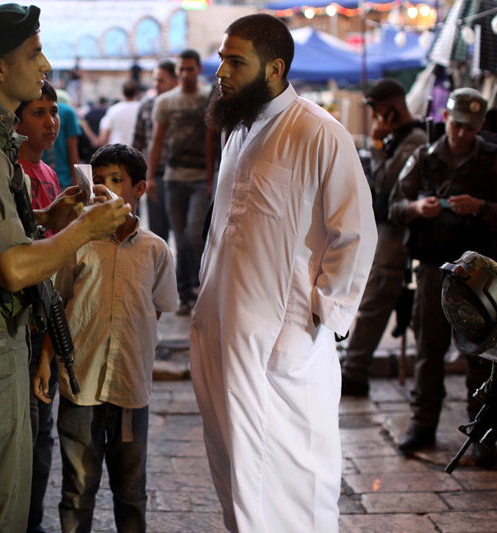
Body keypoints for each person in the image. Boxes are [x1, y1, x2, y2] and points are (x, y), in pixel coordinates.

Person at [0, 5, 130, 531]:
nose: (44, 64)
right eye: (34, 53)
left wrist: (51, 215)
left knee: (8, 498)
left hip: (0, 342)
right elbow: (13, 268)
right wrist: (87, 228)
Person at [191, 14, 376, 531]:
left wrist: (320, 317)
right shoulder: (238, 131)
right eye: (222, 59)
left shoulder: (319, 132)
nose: (221, 72)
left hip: (287, 338)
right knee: (235, 466)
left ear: (274, 68)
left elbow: (356, 234)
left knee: (294, 475)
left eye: (235, 61)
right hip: (225, 331)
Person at [33, 144, 177, 532]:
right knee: (77, 489)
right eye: (98, 181)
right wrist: (46, 360)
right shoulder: (75, 244)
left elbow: (158, 308)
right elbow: (58, 305)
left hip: (131, 388)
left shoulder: (155, 251)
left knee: (131, 491)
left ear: (140, 188)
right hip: (80, 382)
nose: (106, 189)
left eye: (117, 181)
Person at [389, 87, 497, 466]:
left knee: (481, 354)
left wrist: (482, 207)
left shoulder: (491, 160)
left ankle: (482, 433)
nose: (462, 133)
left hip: (480, 277)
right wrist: (419, 207)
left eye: (470, 127)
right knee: (429, 349)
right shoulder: (424, 157)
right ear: (446, 118)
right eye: (457, 124)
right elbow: (395, 206)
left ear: (481, 125)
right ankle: (422, 425)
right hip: (435, 268)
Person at [341, 79, 427, 397]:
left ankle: (354, 371)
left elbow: (384, 183)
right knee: (375, 299)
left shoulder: (413, 140)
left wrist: (377, 147)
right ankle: (354, 368)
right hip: (387, 230)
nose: (376, 120)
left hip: (398, 234)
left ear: (391, 110)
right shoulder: (401, 138)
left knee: (376, 300)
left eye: (377, 112)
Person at [15, 79, 61, 533]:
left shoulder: (47, 173)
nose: (51, 122)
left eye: (54, 111)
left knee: (41, 428)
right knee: (28, 429)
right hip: (20, 321)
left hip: (45, 318)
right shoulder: (12, 173)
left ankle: (32, 519)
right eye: (38, 113)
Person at [146, 49, 211, 315]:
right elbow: (157, 141)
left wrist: (210, 176)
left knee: (193, 235)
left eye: (190, 69)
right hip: (173, 177)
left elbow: (211, 139)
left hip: (198, 178)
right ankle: (185, 292)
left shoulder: (207, 98)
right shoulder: (166, 102)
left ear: (198, 70)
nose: (185, 74)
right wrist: (150, 176)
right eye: (181, 69)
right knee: (179, 237)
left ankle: (195, 286)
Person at [133, 60, 178, 243]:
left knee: (185, 236)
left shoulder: (184, 105)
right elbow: (138, 142)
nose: (156, 85)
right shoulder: (147, 105)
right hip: (156, 176)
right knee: (158, 234)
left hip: (180, 176)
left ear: (175, 81)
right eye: (155, 81)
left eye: (161, 81)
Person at [44, 92, 82, 188]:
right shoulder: (68, 111)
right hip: (63, 179)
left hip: (39, 179)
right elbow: (73, 150)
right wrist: (76, 183)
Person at [98, 81, 140, 147]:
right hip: (137, 152)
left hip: (116, 152)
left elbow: (104, 137)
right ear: (136, 93)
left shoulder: (113, 110)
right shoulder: (141, 108)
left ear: (122, 93)